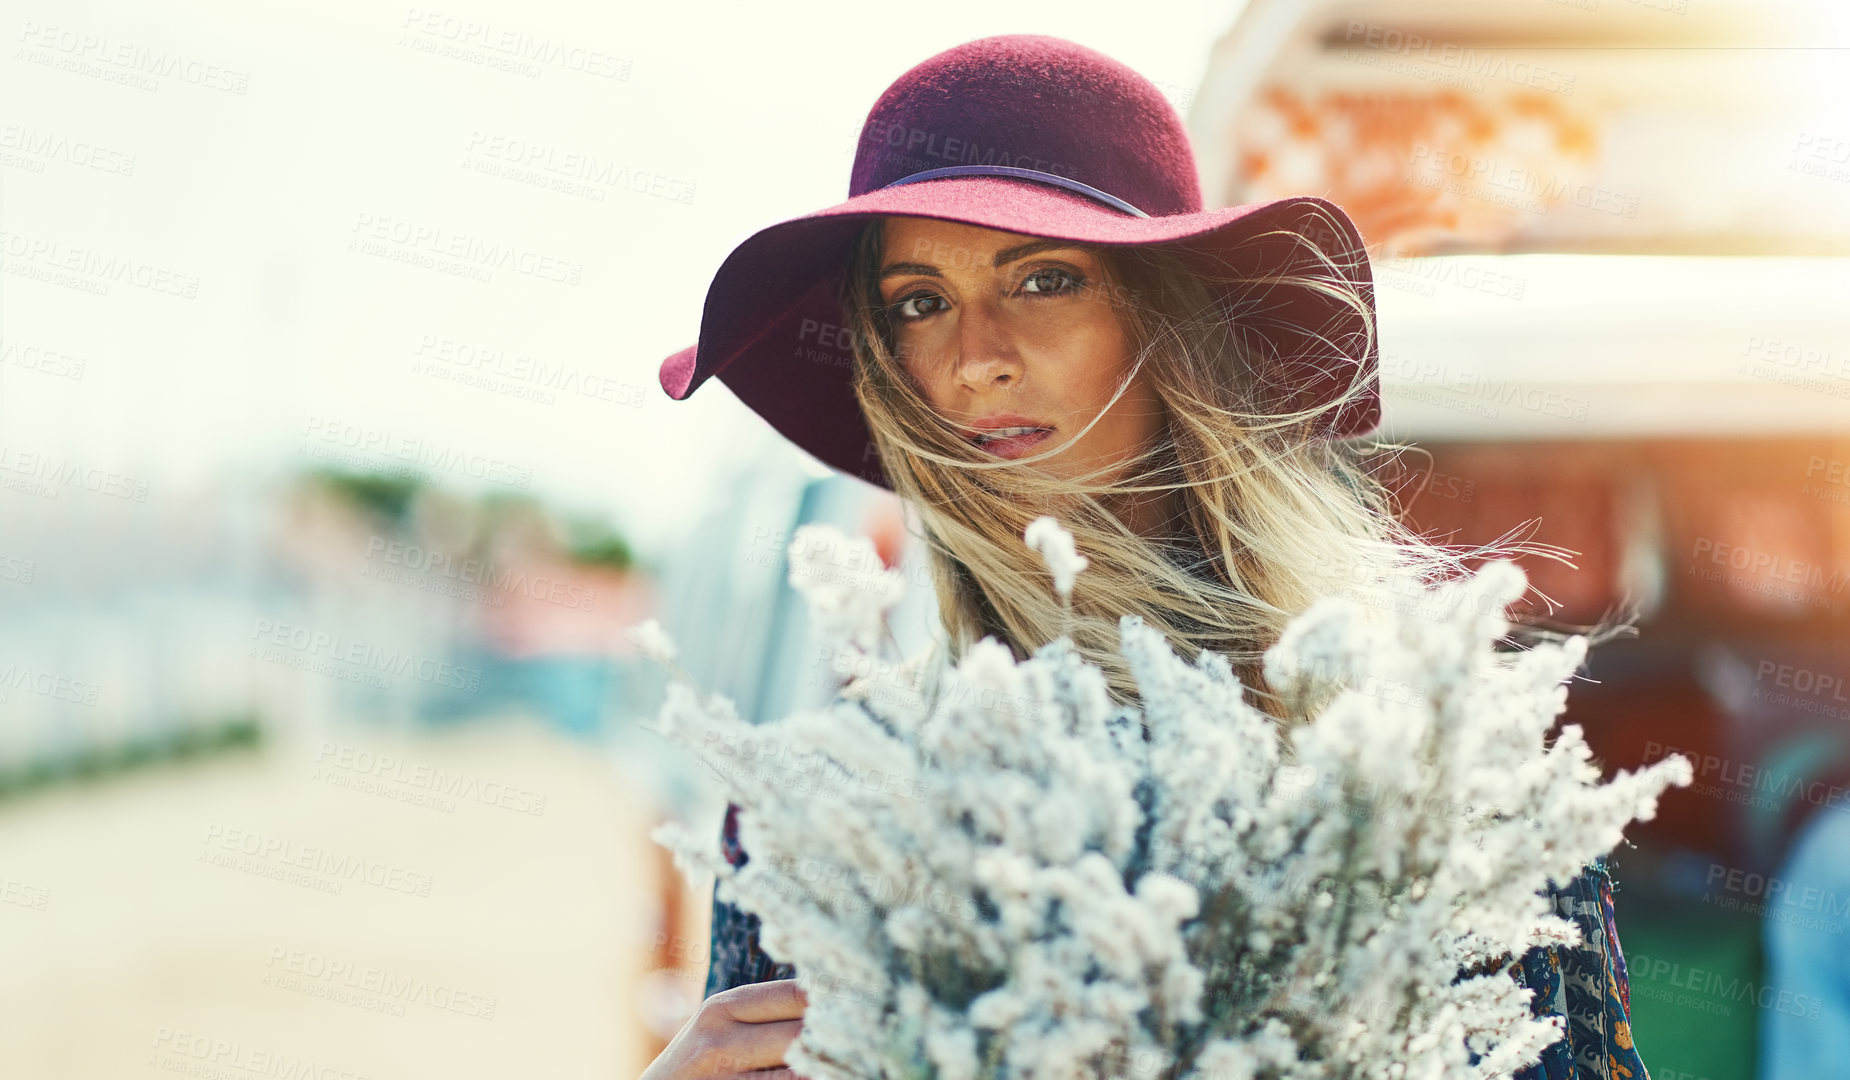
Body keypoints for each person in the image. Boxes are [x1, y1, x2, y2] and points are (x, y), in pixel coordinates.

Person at [641, 34, 1651, 1080]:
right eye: (918, 301)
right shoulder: (825, 816)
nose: (976, 355)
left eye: (1042, 279)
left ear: (1165, 321)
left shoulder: (1435, 777)